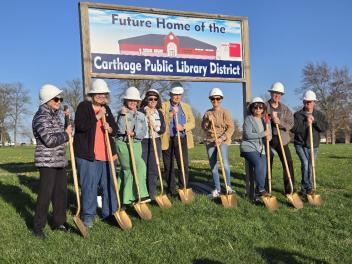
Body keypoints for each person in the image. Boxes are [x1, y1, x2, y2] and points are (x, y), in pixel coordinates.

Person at [73, 79, 117, 228]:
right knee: (89, 186)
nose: (101, 96)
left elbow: (115, 129)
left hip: (107, 154)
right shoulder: (84, 107)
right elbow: (80, 126)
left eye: (103, 94)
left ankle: (110, 213)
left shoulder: (107, 109)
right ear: (92, 94)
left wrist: (109, 128)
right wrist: (97, 117)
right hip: (88, 155)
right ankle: (88, 217)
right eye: (98, 93)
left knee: (109, 185)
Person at [32, 84, 73, 239]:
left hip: (60, 161)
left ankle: (59, 222)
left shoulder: (55, 116)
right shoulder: (41, 117)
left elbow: (66, 132)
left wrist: (68, 119)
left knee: (60, 193)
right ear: (47, 100)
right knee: (45, 194)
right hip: (47, 162)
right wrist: (66, 135)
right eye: (56, 99)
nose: (59, 102)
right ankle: (38, 227)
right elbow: (49, 140)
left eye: (60, 99)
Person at [115, 86, 150, 205]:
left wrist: (134, 133)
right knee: (130, 168)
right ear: (126, 101)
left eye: (135, 101)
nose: (133, 103)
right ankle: (135, 196)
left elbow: (144, 131)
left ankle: (126, 196)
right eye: (130, 100)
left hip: (136, 143)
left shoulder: (141, 115)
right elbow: (119, 129)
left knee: (137, 167)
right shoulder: (120, 114)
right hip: (123, 144)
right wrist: (122, 116)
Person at [291, 90, 328, 196]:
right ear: (303, 102)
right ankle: (307, 188)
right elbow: (294, 129)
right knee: (305, 164)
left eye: (310, 102)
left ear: (314, 102)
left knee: (311, 166)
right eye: (306, 102)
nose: (307, 104)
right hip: (300, 144)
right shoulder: (298, 115)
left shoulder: (319, 114)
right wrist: (306, 123)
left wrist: (315, 121)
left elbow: (324, 127)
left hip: (314, 145)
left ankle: (305, 188)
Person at [161, 82, 195, 195]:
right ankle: (170, 190)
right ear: (170, 94)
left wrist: (183, 126)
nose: (177, 97)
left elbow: (192, 122)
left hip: (181, 138)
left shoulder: (186, 107)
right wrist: (170, 114)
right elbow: (161, 122)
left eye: (179, 94)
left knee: (183, 164)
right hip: (168, 139)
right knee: (168, 165)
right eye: (175, 94)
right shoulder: (164, 106)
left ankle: (183, 187)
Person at [201, 88, 235, 198]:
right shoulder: (207, 112)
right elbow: (204, 127)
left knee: (224, 163)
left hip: (222, 140)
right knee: (213, 165)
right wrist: (207, 120)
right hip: (210, 141)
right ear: (210, 100)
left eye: (217, 98)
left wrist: (222, 138)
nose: (215, 100)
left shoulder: (225, 112)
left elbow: (231, 127)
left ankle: (228, 186)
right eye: (213, 99)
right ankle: (217, 189)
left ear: (221, 99)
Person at [265, 82, 295, 195]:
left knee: (288, 163)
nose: (276, 95)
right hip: (268, 139)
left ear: (281, 95)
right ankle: (266, 189)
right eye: (274, 93)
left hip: (282, 140)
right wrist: (267, 119)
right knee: (267, 162)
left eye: (279, 93)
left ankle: (290, 189)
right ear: (271, 93)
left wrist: (280, 122)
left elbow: (291, 124)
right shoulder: (264, 106)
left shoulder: (285, 109)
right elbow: (257, 118)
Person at [240, 97, 271, 200]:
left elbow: (269, 135)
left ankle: (258, 192)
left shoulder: (265, 121)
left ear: (263, 109)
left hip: (261, 149)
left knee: (264, 167)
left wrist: (268, 136)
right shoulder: (248, 119)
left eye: (260, 107)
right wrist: (263, 134)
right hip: (248, 147)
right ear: (252, 108)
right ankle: (261, 189)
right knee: (258, 163)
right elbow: (248, 135)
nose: (258, 109)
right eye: (255, 107)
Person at [140, 89, 166, 200]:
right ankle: (142, 193)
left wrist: (156, 128)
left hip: (155, 140)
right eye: (150, 98)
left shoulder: (159, 112)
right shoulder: (140, 111)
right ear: (146, 99)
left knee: (154, 169)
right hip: (143, 141)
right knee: (142, 168)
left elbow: (163, 128)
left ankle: (152, 194)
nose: (153, 101)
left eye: (155, 99)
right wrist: (146, 122)